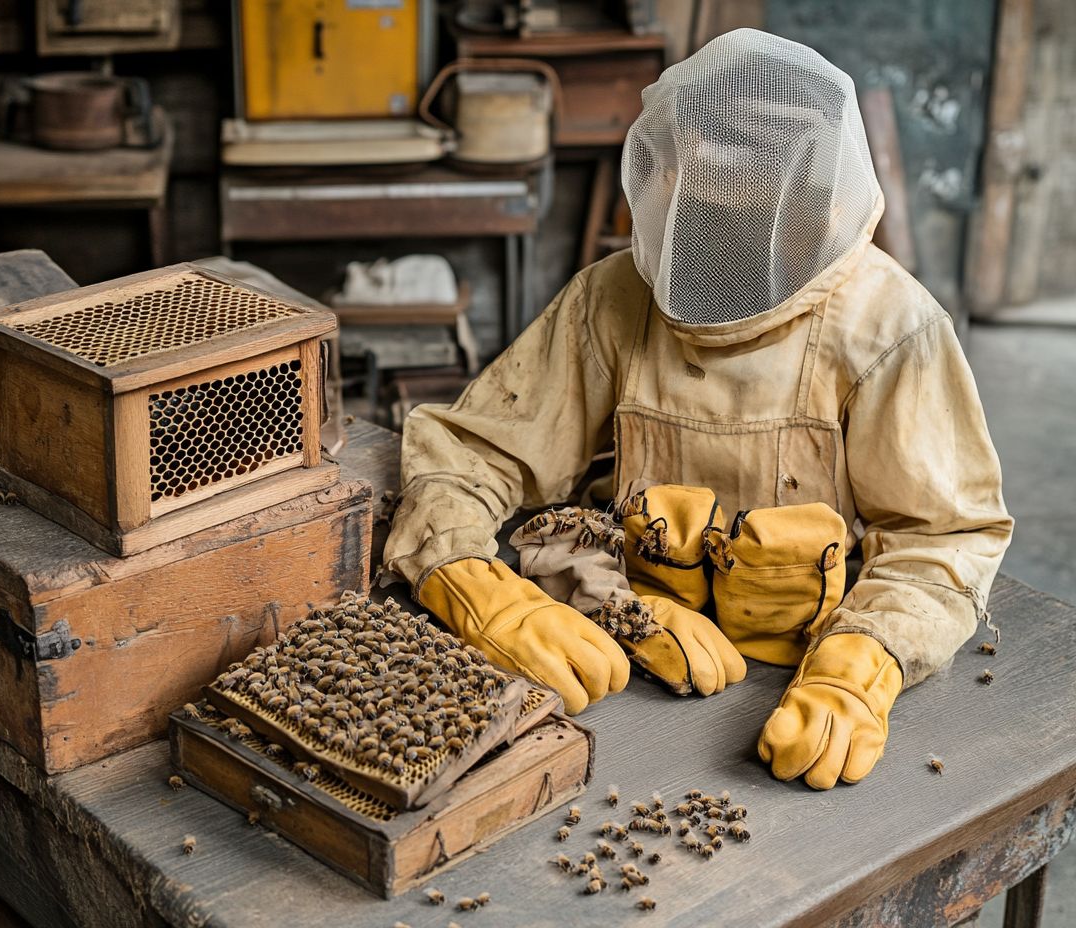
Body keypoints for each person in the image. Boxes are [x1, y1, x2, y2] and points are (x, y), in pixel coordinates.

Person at [383, 29, 1013, 789]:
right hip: (619, 645)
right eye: (709, 168)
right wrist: (470, 579)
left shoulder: (890, 327)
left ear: (817, 183)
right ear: (669, 171)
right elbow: (473, 450)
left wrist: (860, 665)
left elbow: (944, 534)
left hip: (799, 670)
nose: (729, 197)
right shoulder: (612, 297)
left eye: (759, 170)